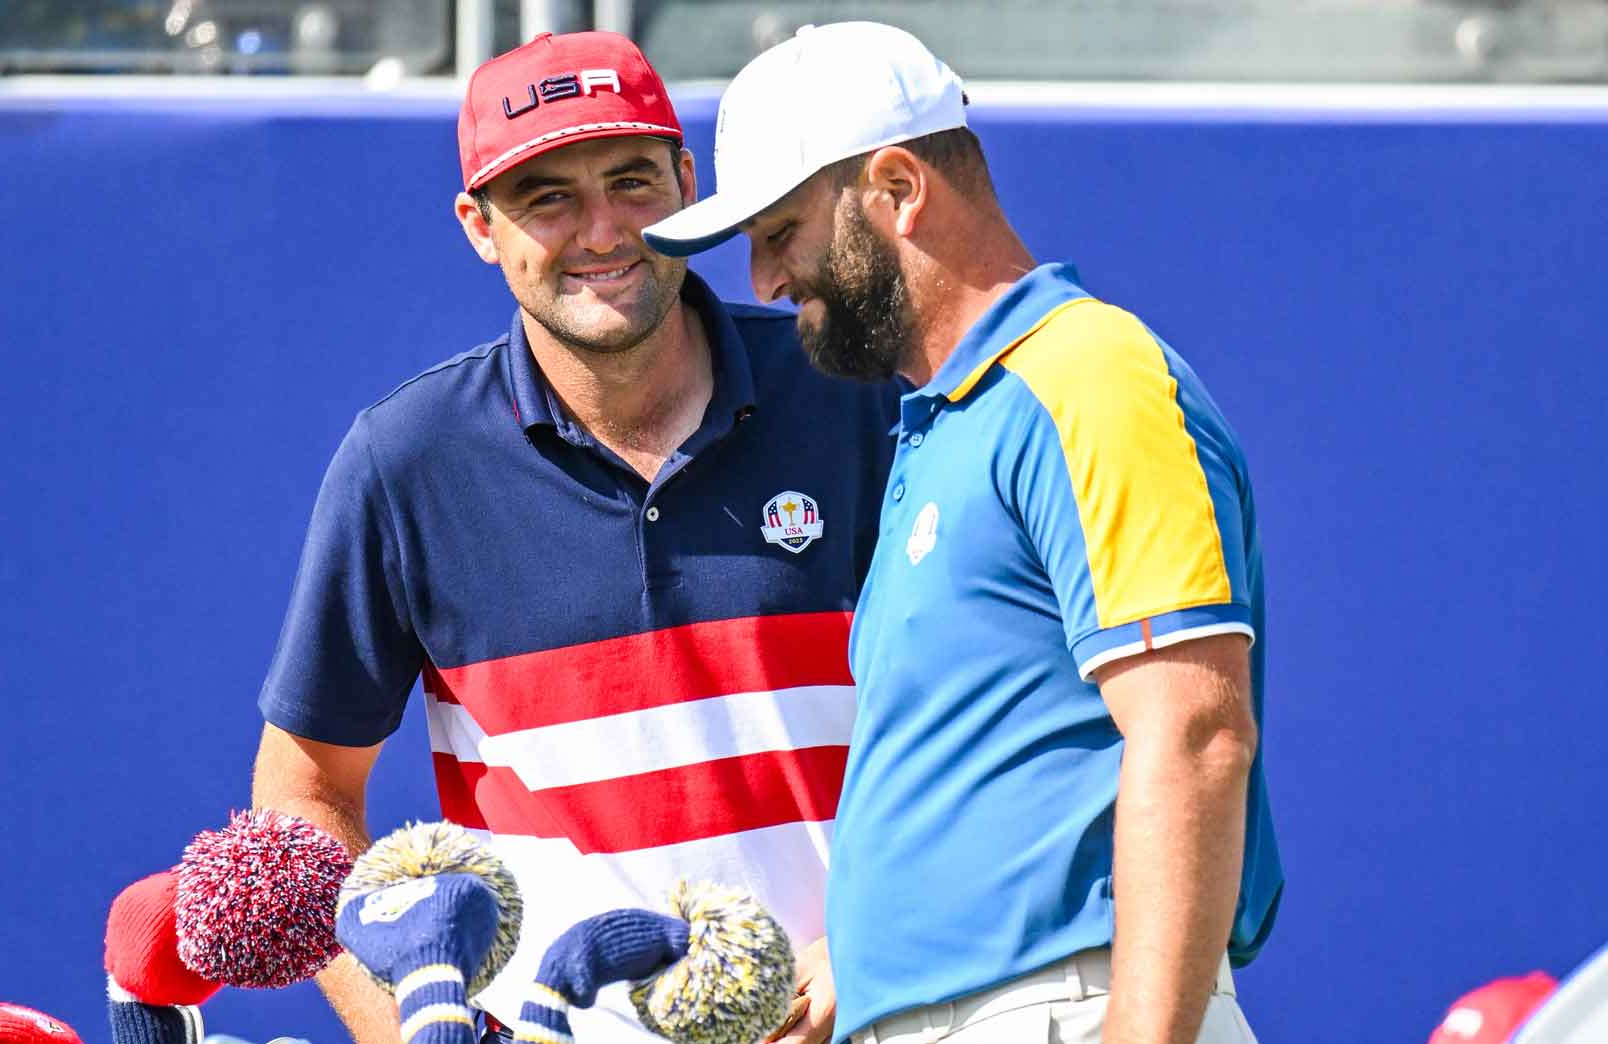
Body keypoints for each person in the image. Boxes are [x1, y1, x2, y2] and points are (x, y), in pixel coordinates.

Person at [250, 29, 897, 1044]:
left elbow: (1005, 723)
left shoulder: (855, 396)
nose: (601, 231)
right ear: (478, 225)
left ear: (689, 181)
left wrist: (878, 942)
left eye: (632, 180)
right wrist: (406, 1024)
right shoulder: (405, 460)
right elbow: (303, 794)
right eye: (547, 197)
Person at [644, 21, 1284, 1044]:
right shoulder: (951, 423)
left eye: (780, 232)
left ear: (896, 189)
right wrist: (864, 951)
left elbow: (1195, 734)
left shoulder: (1086, 374)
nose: (763, 281)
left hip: (1066, 1009)